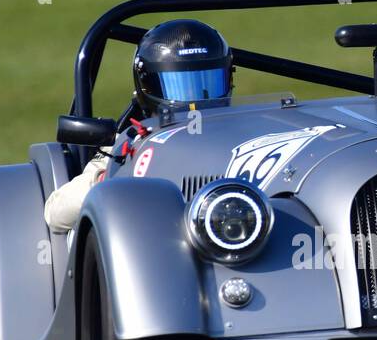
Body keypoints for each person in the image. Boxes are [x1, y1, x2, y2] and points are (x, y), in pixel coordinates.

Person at [43, 19, 234, 233]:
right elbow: (55, 214)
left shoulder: (245, 133)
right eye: (179, 87)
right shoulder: (128, 145)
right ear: (147, 86)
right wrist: (107, 180)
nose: (194, 102)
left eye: (208, 83)